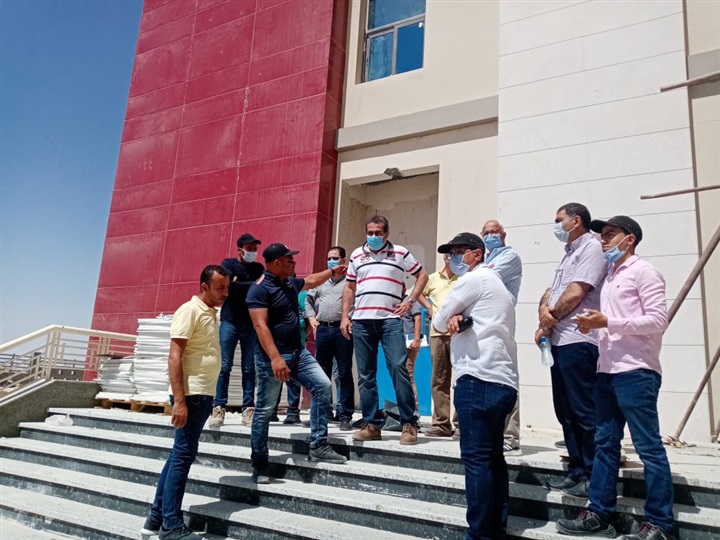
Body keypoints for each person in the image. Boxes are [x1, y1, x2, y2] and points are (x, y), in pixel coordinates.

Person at [557, 216, 674, 540]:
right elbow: (609, 323)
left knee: (648, 447)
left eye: (610, 235)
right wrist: (593, 326)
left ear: (630, 239)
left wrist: (608, 322)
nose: (603, 241)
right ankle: (599, 513)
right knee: (605, 445)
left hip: (636, 371)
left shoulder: (644, 271)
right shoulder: (609, 276)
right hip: (606, 372)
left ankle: (660, 523)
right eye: (602, 236)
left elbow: (658, 320)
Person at [433, 232, 518, 540]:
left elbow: (438, 321)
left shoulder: (473, 280)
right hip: (503, 380)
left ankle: (480, 534)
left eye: (459, 251)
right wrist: (459, 315)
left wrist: (453, 315)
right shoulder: (498, 285)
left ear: (477, 254)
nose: (453, 257)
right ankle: (496, 526)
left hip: (477, 377)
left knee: (477, 459)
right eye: (450, 253)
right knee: (493, 457)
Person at [141, 265, 230, 540]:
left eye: (227, 287)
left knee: (179, 454)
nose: (225, 293)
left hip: (202, 394)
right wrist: (179, 401)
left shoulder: (210, 312)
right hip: (191, 395)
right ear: (204, 287)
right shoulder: (189, 311)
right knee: (182, 456)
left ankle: (155, 519)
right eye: (220, 288)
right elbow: (174, 356)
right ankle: (171, 526)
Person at [247, 243, 347, 484]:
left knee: (323, 386)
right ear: (277, 263)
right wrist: (275, 358)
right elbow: (260, 326)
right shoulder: (259, 289)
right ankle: (260, 464)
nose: (294, 263)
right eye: (289, 260)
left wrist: (332, 272)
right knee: (265, 410)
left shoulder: (290, 283)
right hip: (272, 358)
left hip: (298, 354)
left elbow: (311, 280)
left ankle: (318, 444)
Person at [536, 202, 607, 497]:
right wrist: (544, 313)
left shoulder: (592, 247)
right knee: (565, 411)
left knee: (584, 412)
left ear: (575, 221)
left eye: (559, 220)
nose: (555, 226)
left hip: (579, 339)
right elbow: (551, 292)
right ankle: (576, 470)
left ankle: (594, 476)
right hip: (559, 341)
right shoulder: (568, 253)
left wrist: (549, 319)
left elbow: (577, 292)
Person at [341, 215, 428, 445]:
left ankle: (408, 423)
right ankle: (371, 424)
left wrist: (410, 301)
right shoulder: (356, 255)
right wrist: (345, 316)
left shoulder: (400, 253)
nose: (373, 236)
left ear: (387, 233)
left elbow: (422, 275)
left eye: (378, 233)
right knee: (365, 374)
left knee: (399, 368)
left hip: (390, 320)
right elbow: (349, 287)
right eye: (370, 232)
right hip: (361, 321)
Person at [209, 234, 264, 429]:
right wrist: (251, 284)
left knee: (249, 368)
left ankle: (248, 409)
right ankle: (218, 408)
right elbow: (230, 287)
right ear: (240, 249)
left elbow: (259, 289)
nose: (253, 252)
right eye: (249, 248)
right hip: (230, 321)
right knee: (224, 366)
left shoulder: (258, 268)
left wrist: (240, 284)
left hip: (250, 323)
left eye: (255, 248)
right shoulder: (228, 264)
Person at [481, 220, 523, 454]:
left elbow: (485, 278)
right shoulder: (484, 260)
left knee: (506, 374)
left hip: (502, 322)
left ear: (503, 235)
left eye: (494, 232)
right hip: (484, 322)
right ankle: (492, 433)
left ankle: (510, 435)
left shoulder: (510, 256)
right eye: (486, 233)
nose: (490, 236)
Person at [306, 246, 355, 431]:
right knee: (321, 374)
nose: (331, 261)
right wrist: (311, 317)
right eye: (329, 258)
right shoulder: (322, 281)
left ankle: (345, 415)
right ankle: (323, 412)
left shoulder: (350, 281)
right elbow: (308, 299)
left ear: (343, 260)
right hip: (323, 330)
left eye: (335, 258)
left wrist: (350, 318)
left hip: (343, 330)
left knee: (344, 373)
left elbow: (358, 302)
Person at [420, 251, 460, 439]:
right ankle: (441, 424)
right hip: (437, 334)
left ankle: (461, 424)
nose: (451, 257)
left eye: (456, 254)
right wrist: (429, 307)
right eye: (449, 254)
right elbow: (418, 292)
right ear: (444, 258)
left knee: (462, 379)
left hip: (460, 333)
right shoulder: (433, 278)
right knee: (439, 379)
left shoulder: (465, 278)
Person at [402, 286, 423, 416]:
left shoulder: (410, 301)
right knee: (400, 375)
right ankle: (403, 407)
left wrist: (416, 339)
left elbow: (418, 319)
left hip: (410, 344)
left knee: (408, 374)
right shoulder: (393, 302)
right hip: (397, 343)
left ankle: (414, 409)